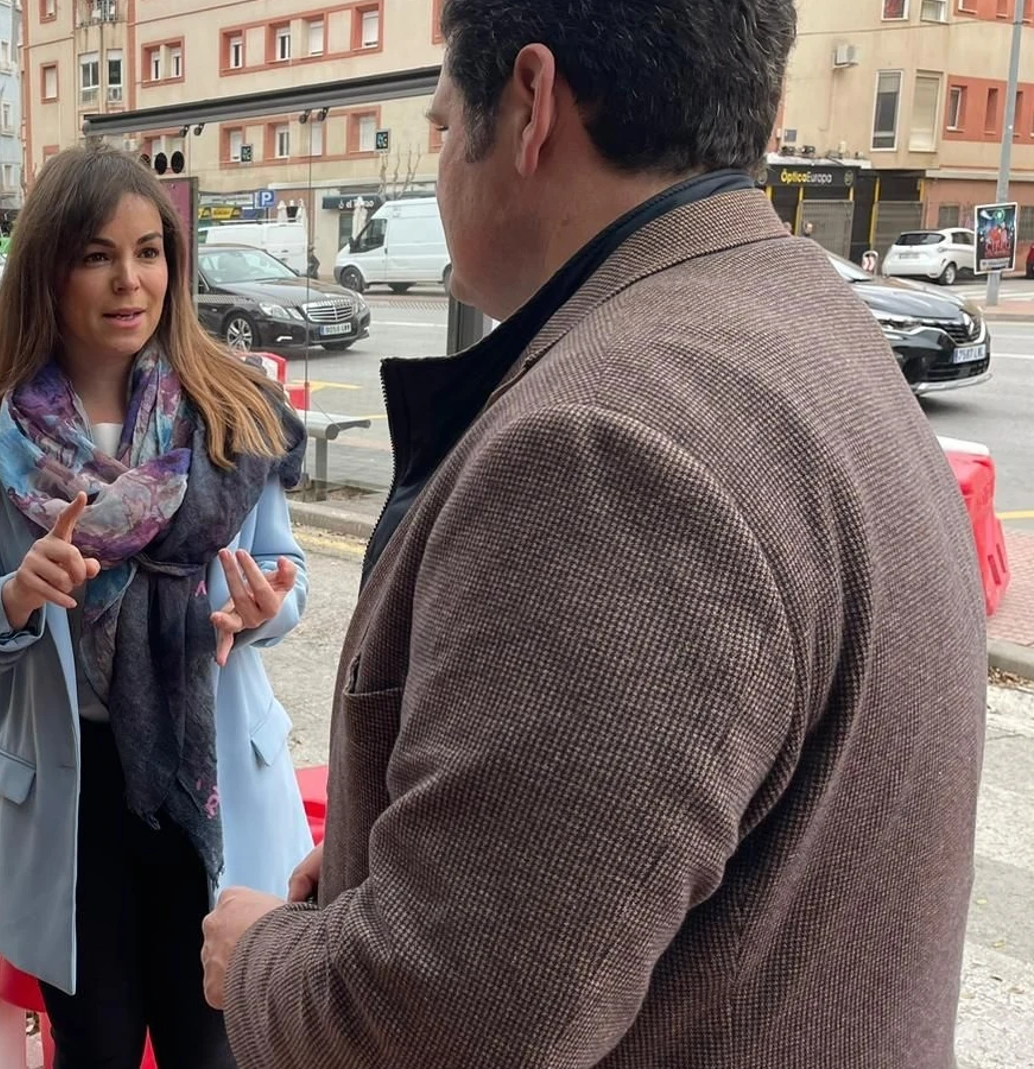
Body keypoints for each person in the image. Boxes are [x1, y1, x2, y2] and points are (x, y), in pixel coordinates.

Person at [203, 1, 988, 1066]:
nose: (439, 167)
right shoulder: (800, 323)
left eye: (440, 127)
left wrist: (259, 959)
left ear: (528, 104)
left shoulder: (603, 449)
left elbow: (446, 1027)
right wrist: (368, 881)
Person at [0, 142, 314, 1069]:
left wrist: (262, 608)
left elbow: (283, 571)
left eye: (149, 252)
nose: (129, 280)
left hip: (208, 775)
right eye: (98, 255)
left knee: (211, 1044)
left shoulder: (232, 410)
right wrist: (16, 598)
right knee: (94, 1045)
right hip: (76, 797)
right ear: (49, 271)